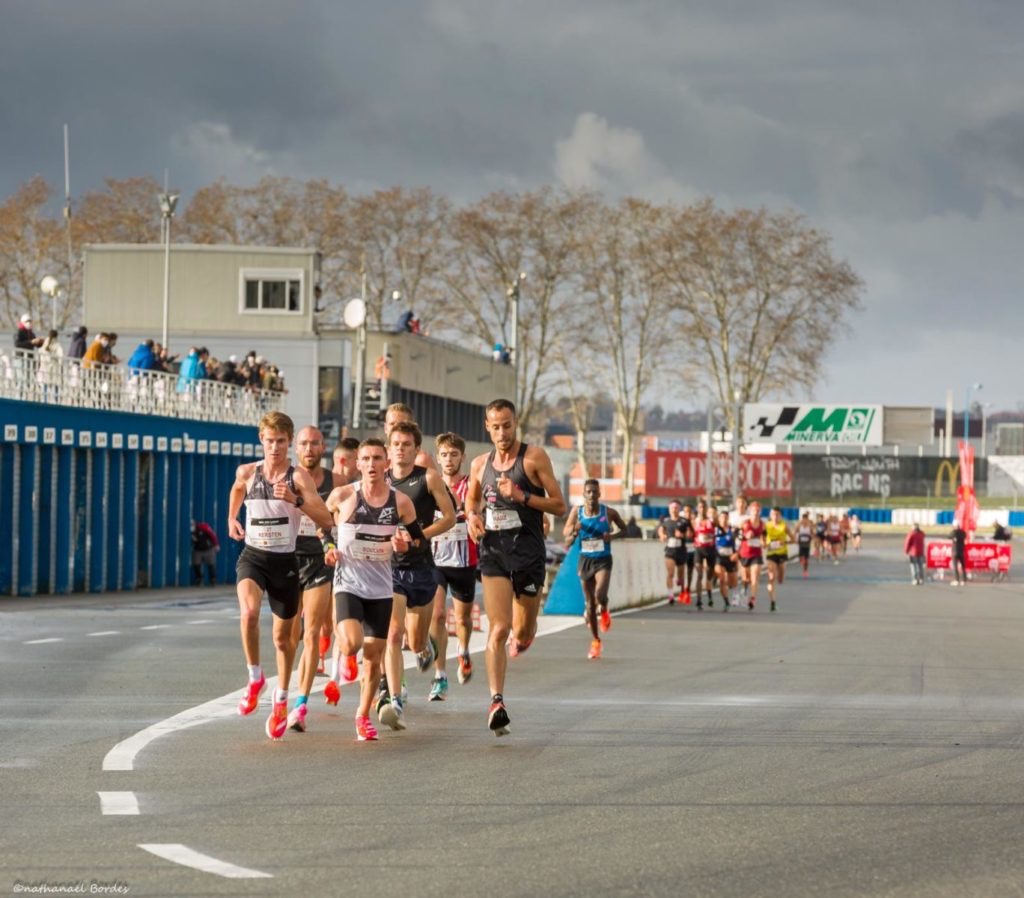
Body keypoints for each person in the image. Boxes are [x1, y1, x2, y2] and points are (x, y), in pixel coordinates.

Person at [226, 411, 334, 741]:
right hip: (254, 557)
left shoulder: (298, 476)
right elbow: (237, 490)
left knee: (283, 640)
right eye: (270, 441)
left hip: (286, 562)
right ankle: (255, 676)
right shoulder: (248, 471)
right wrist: (232, 519)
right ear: (262, 440)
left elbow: (326, 519)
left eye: (281, 442)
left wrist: (296, 500)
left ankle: (282, 698)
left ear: (289, 444)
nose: (275, 447)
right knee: (247, 613)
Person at [465, 399, 567, 736]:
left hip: (528, 553)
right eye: (495, 426)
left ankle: (527, 634)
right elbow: (471, 499)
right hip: (494, 551)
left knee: (521, 632)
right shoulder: (480, 463)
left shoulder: (534, 458)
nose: (502, 432)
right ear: (487, 426)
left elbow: (559, 505)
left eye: (507, 425)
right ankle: (497, 702)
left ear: (515, 423)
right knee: (498, 629)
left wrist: (523, 496)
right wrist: (473, 517)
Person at [325, 438, 422, 741]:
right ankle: (344, 655)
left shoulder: (401, 502)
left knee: (374, 657)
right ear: (357, 464)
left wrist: (405, 544)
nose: (371, 465)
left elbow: (418, 540)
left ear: (387, 464)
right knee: (353, 644)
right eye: (365, 459)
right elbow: (320, 523)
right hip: (348, 583)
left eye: (377, 459)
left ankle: (362, 716)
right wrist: (328, 546)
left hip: (380, 588)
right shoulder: (342, 495)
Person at [376, 421, 455, 731]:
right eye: (395, 443)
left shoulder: (428, 478)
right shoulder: (378, 480)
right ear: (388, 448)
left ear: (416, 449)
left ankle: (426, 647)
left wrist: (415, 534)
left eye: (407, 444)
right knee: (393, 635)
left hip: (421, 567)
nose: (400, 448)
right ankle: (394, 698)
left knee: (416, 638)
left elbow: (449, 517)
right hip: (389, 568)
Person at [286, 426, 343, 733]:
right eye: (304, 444)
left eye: (315, 444)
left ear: (324, 447)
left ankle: (301, 704)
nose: (309, 449)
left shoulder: (338, 482)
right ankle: (283, 690)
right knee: (287, 637)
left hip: (320, 561)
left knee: (311, 634)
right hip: (287, 559)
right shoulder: (286, 477)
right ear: (297, 448)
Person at [429, 432, 479, 697]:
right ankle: (440, 675)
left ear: (463, 457)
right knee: (436, 615)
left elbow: (475, 510)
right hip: (436, 560)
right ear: (438, 458)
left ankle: (463, 649)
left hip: (464, 561)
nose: (449, 460)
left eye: (454, 455)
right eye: (444, 455)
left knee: (462, 618)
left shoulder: (471, 486)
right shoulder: (431, 486)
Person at [562, 479, 626, 659]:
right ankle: (596, 641)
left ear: (599, 494)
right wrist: (574, 529)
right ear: (583, 495)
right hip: (585, 560)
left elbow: (625, 529)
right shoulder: (577, 512)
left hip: (603, 560)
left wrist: (611, 537)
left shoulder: (609, 512)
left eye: (594, 492)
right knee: (590, 605)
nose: (591, 495)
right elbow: (566, 536)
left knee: (600, 595)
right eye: (588, 492)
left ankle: (604, 609)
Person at [656, 500, 689, 605]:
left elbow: (690, 534)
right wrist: (662, 536)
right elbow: (660, 530)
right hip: (670, 550)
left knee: (680, 574)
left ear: (679, 509)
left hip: (681, 550)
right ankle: (670, 596)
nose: (674, 510)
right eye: (672, 508)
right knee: (670, 573)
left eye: (676, 508)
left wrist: (682, 535)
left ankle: (680, 581)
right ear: (669, 509)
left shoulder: (684, 521)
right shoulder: (666, 521)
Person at [764, 507, 793, 613]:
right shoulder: (766, 526)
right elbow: (762, 540)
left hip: (782, 554)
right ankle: (772, 602)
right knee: (771, 578)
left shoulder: (784, 526)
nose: (775, 517)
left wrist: (784, 542)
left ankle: (780, 577)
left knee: (780, 579)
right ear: (770, 516)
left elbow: (793, 539)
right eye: (773, 515)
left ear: (780, 515)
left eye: (777, 515)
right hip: (771, 554)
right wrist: (766, 544)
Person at [738, 501, 765, 611]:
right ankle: (744, 589)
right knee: (745, 579)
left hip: (756, 554)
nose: (756, 512)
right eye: (754, 510)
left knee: (755, 578)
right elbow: (738, 537)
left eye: (758, 511)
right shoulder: (744, 523)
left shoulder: (763, 525)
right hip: (745, 553)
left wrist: (764, 543)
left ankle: (752, 599)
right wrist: (745, 535)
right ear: (750, 511)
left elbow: (764, 538)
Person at [691, 499, 717, 610]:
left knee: (709, 576)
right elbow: (689, 534)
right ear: (697, 508)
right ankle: (699, 600)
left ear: (707, 509)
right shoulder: (694, 521)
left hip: (710, 549)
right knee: (700, 575)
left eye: (704, 507)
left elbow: (720, 530)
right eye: (700, 507)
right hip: (699, 550)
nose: (702, 509)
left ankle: (710, 596)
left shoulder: (712, 520)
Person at [714, 510, 739, 611]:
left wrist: (737, 554)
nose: (724, 520)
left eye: (725, 518)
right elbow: (717, 541)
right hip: (719, 557)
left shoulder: (733, 529)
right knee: (722, 579)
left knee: (732, 581)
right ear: (719, 519)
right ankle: (726, 601)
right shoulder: (715, 529)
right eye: (722, 518)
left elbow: (741, 543)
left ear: (728, 519)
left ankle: (735, 593)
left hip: (730, 557)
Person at [190, 519, 219, 585]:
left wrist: (216, 544)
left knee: (211, 564)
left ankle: (213, 579)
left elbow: (212, 535)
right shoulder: (191, 532)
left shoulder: (203, 527)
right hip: (197, 550)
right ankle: (199, 579)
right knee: (196, 564)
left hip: (208, 549)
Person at [795, 512, 814, 578]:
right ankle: (801, 560)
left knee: (806, 559)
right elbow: (796, 532)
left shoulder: (810, 525)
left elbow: (812, 533)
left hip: (807, 543)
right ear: (802, 519)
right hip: (801, 542)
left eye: (806, 519)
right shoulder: (799, 525)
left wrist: (812, 537)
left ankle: (805, 571)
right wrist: (796, 539)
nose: (805, 521)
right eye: (804, 519)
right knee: (801, 556)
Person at [950, 521, 967, 586]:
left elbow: (949, 536)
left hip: (955, 551)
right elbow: (965, 536)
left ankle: (956, 580)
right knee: (963, 566)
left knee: (955, 566)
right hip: (962, 551)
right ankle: (963, 580)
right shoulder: (963, 532)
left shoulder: (954, 532)